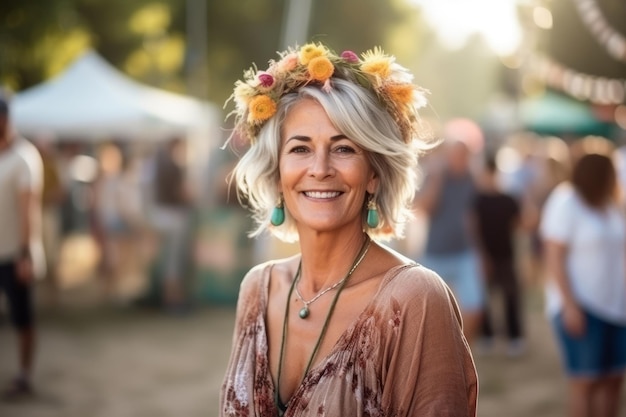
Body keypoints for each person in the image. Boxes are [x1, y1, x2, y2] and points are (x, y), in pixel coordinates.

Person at [219, 43, 478, 416]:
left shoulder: (413, 298)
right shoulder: (257, 289)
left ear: (373, 174)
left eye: (343, 149)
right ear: (277, 173)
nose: (320, 168)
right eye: (300, 149)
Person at [540, 152, 626, 417]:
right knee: (586, 383)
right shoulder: (566, 201)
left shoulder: (609, 206)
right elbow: (554, 257)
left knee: (613, 380)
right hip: (582, 306)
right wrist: (569, 305)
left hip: (616, 307)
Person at [414, 118, 485, 345]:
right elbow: (424, 208)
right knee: (429, 312)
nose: (462, 161)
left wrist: (480, 251)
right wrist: (436, 179)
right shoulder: (435, 176)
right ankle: (439, 351)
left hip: (464, 251)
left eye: (465, 156)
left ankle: (463, 351)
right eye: (457, 155)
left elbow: (475, 217)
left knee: (474, 306)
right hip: (436, 253)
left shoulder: (472, 179)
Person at [0, 91, 44, 398]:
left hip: (16, 254)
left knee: (22, 318)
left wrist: (25, 255)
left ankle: (24, 375)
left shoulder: (24, 157)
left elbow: (28, 210)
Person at [472, 153, 525, 356]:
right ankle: (488, 335)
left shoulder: (509, 199)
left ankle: (515, 336)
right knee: (483, 296)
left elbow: (520, 224)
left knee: (511, 295)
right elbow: (472, 227)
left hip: (506, 255)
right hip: (485, 254)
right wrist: (481, 255)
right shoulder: (477, 199)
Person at [151, 137, 193, 310]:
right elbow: (182, 193)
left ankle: (170, 297)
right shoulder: (172, 166)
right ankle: (173, 298)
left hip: (163, 215)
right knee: (174, 260)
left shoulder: (158, 164)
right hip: (174, 217)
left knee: (169, 258)